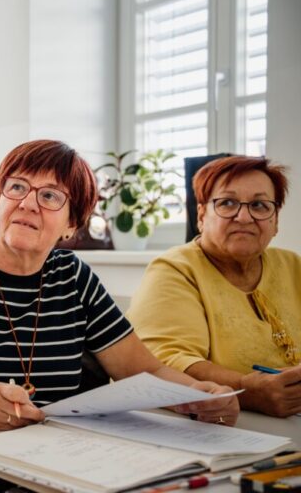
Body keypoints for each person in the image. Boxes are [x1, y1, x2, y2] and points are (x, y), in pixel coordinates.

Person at [0, 140, 240, 492]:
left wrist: (199, 395)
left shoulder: (73, 278)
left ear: (71, 224)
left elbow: (145, 372)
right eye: (17, 187)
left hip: (40, 473)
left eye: (49, 196)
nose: (28, 203)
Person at [128, 156, 301, 418]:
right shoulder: (175, 269)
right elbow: (163, 361)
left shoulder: (292, 265)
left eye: (259, 205)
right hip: (218, 421)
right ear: (201, 215)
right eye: (227, 203)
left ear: (275, 221)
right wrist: (247, 390)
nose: (244, 217)